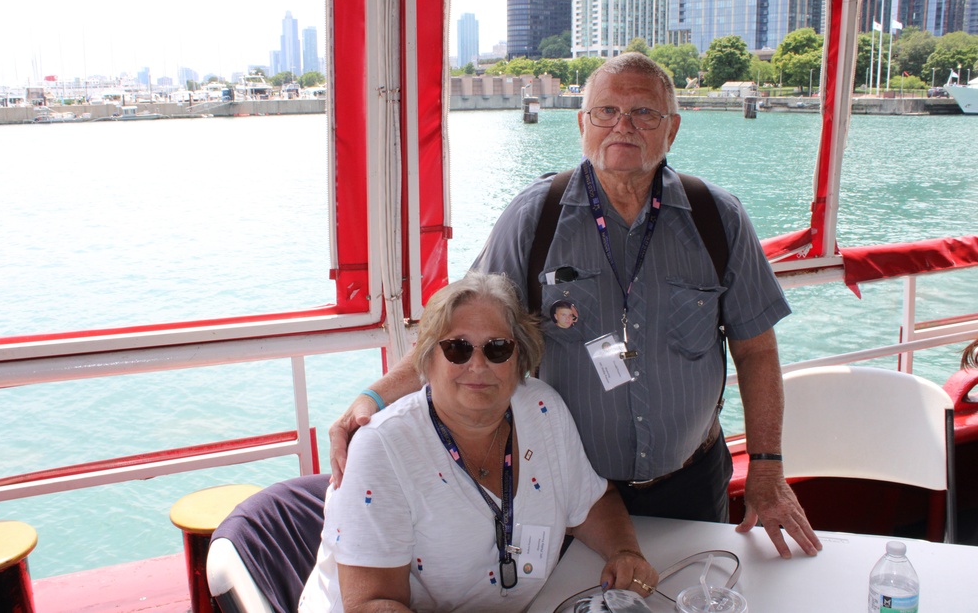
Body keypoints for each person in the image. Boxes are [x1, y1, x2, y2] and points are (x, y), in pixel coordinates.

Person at [330, 53, 821, 559]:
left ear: (671, 129)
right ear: (582, 124)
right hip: (569, 493)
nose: (622, 126)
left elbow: (756, 350)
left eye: (643, 113)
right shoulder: (535, 216)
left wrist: (765, 468)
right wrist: (374, 398)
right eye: (606, 112)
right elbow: (457, 331)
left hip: (692, 483)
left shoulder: (718, 218)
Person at [300, 272, 658, 612]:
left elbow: (592, 503)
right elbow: (371, 604)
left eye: (497, 348)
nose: (478, 364)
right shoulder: (382, 448)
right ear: (427, 359)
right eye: (457, 348)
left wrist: (624, 551)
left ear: (520, 357)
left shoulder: (542, 408)